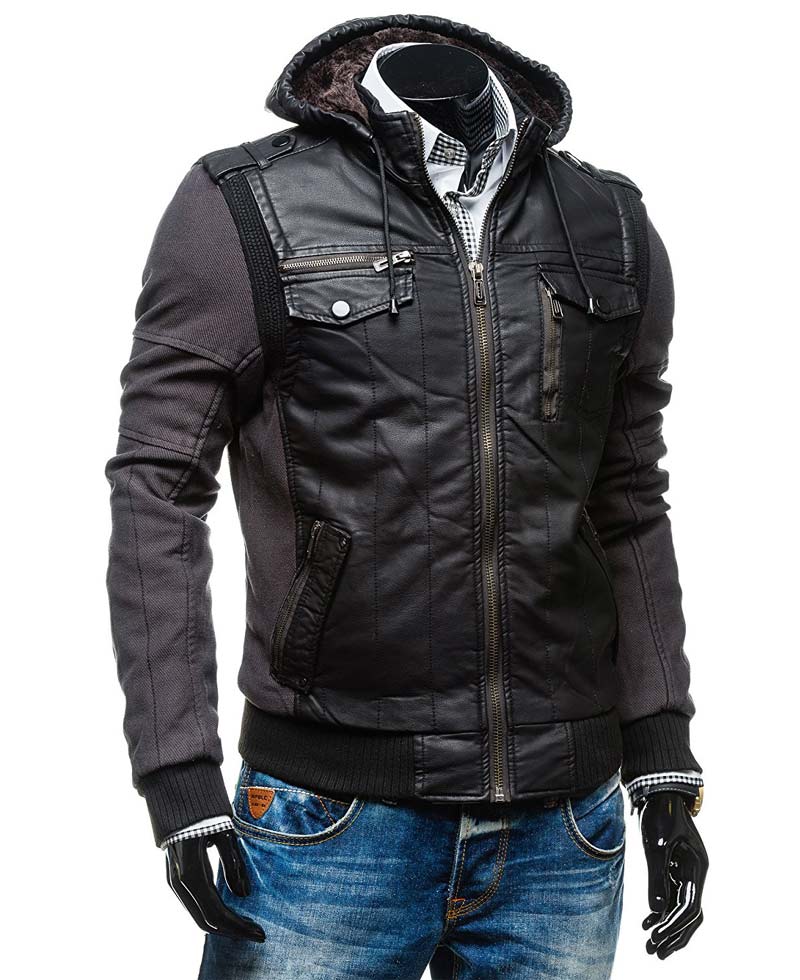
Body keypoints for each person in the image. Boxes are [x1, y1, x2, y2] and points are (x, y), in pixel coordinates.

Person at [105, 13, 708, 979]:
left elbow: (629, 498)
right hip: (327, 817)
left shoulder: (607, 219)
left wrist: (662, 752)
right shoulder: (244, 203)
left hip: (566, 830)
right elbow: (158, 487)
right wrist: (178, 775)